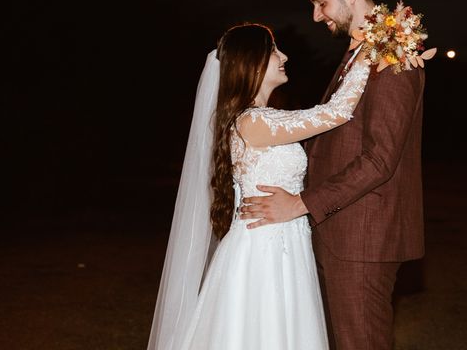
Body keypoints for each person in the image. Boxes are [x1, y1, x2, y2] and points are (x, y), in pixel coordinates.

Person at [240, 0, 426, 349]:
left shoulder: (393, 54)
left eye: (321, 3)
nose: (316, 16)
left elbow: (380, 160)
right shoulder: (363, 52)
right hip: (340, 232)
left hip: (363, 236)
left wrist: (301, 203)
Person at [147, 23, 370, 350]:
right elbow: (335, 112)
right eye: (273, 51)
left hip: (284, 243)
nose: (284, 56)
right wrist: (373, 49)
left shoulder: (265, 118)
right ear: (251, 64)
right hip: (262, 252)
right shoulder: (252, 122)